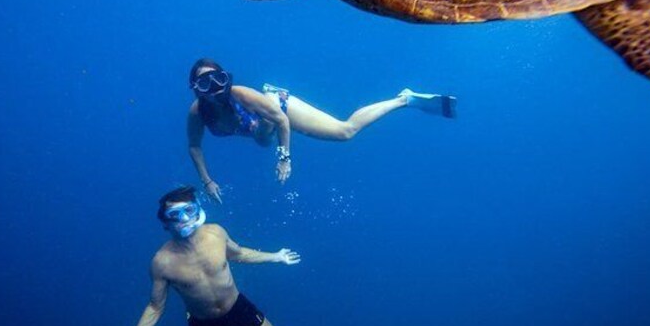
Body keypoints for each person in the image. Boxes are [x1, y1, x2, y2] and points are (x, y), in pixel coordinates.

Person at [108, 185, 300, 326]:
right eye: (175, 215)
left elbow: (239, 254)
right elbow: (155, 307)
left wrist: (276, 256)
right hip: (202, 324)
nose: (184, 219)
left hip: (237, 306)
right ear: (165, 223)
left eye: (189, 210)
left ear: (197, 210)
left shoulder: (216, 233)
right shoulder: (162, 263)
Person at [187, 58, 456, 202]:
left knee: (344, 131)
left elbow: (282, 121)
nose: (214, 88)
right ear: (196, 89)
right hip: (261, 130)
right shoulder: (198, 113)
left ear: (227, 78)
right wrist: (206, 180)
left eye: (218, 79)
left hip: (278, 108)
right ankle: (263, 129)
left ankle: (403, 99)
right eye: (204, 84)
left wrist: (284, 159)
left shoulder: (242, 95)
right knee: (261, 139)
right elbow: (194, 146)